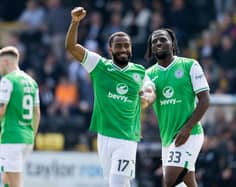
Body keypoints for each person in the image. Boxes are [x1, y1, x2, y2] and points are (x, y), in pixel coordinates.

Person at [65, 7, 154, 187]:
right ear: (110, 49)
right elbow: (71, 47)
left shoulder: (139, 71)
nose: (123, 49)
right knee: (117, 182)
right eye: (118, 46)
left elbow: (150, 90)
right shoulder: (100, 66)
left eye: (126, 45)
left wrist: (146, 97)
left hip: (127, 135)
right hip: (104, 135)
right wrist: (75, 22)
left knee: (118, 182)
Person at [144, 28, 210, 187]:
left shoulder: (190, 65)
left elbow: (205, 100)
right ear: (152, 48)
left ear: (172, 43)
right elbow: (147, 94)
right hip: (167, 139)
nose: (158, 42)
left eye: (163, 39)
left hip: (189, 134)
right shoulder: (148, 74)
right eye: (155, 41)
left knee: (169, 181)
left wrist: (187, 128)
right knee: (186, 183)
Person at [0, 46, 41, 187]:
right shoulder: (32, 82)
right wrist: (32, 136)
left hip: (11, 137)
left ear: (5, 62)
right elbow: (37, 113)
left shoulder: (7, 80)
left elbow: (1, 110)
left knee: (15, 183)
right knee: (6, 178)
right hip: (27, 138)